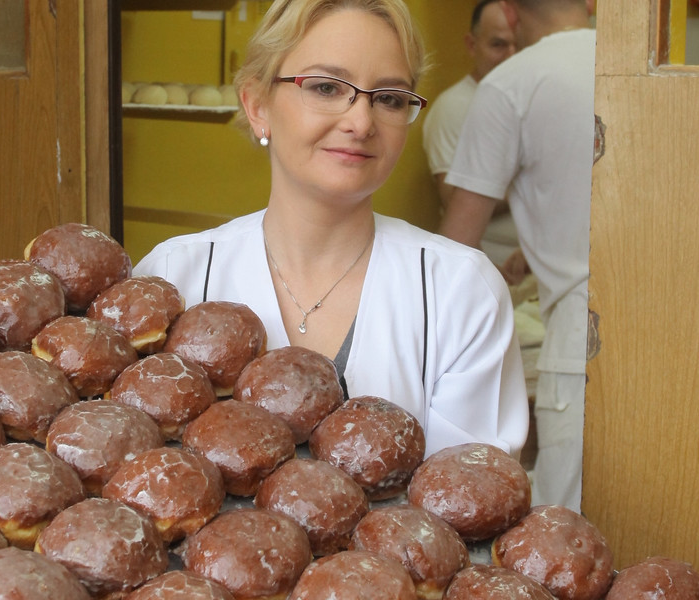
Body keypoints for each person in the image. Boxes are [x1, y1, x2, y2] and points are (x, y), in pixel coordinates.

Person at [133, 0, 529, 458]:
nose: (361, 123)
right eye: (325, 87)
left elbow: (470, 503)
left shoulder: (460, 290)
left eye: (389, 98)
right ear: (257, 104)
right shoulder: (172, 278)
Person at [439, 0, 595, 511]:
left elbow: (460, 243)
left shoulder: (510, 85)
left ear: (507, 10)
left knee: (566, 528)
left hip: (584, 338)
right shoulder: (640, 71)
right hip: (681, 334)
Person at [422, 0, 521, 272]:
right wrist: (533, 175)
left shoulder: (533, 99)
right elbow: (454, 202)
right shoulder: (453, 107)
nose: (512, 56)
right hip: (495, 271)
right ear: (471, 44)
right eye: (498, 45)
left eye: (519, 44)